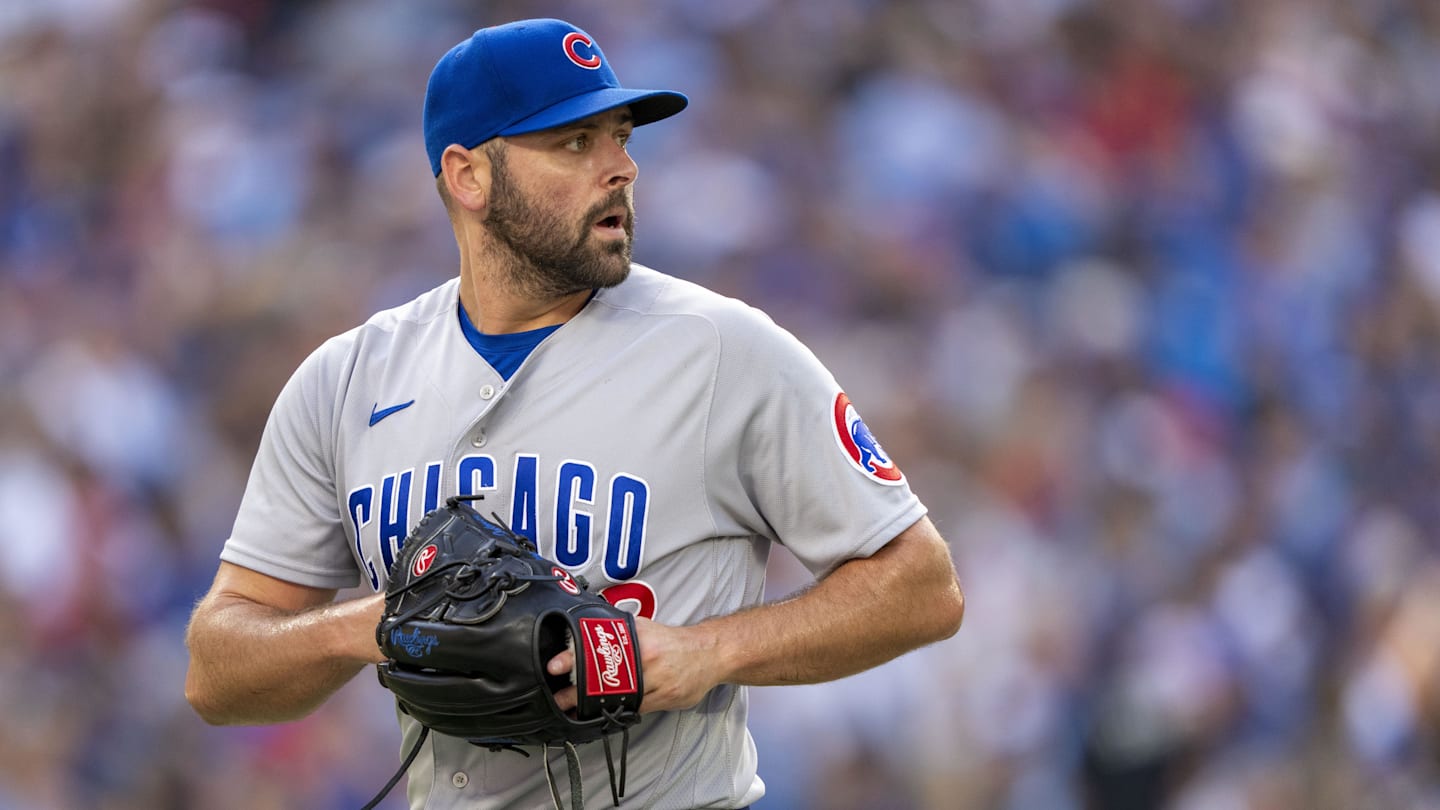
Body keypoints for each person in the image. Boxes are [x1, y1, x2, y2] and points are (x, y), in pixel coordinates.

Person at [183, 17, 964, 810]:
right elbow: (216, 674)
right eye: (573, 142)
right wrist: (369, 628)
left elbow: (922, 586)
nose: (620, 168)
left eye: (621, 137)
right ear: (468, 176)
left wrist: (708, 650)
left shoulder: (725, 350)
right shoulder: (345, 380)